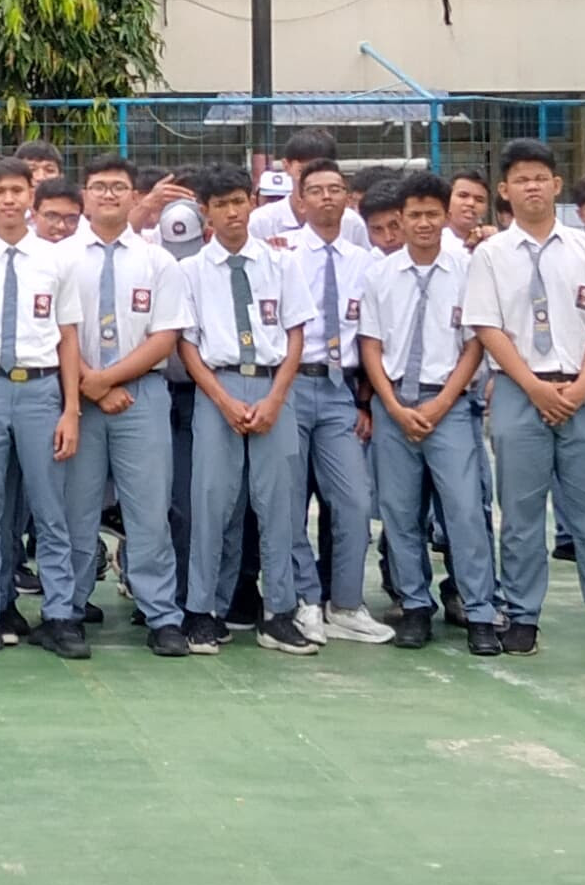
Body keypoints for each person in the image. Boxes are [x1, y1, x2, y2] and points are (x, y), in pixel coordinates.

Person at [463, 140, 585, 660]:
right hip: (520, 390)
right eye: (521, 179)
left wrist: (583, 383)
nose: (531, 186)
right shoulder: (490, 255)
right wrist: (533, 386)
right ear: (505, 190)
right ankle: (522, 615)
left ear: (556, 186)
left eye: (540, 177)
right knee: (520, 514)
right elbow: (488, 327)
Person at [0, 158, 85, 660]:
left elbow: (69, 336)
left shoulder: (57, 260)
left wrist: (71, 409)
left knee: (50, 510)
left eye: (17, 190)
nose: (8, 199)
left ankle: (60, 614)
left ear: (32, 195)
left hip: (41, 389)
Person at [49, 158, 184, 657]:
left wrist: (109, 378)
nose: (109, 195)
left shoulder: (157, 261)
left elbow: (166, 335)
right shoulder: (59, 257)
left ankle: (161, 612)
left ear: (134, 197)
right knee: (75, 512)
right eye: (100, 186)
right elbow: (55, 331)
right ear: (85, 195)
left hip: (141, 396)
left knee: (148, 511)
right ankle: (68, 608)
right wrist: (92, 385)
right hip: (76, 395)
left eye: (119, 188)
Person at [176, 165, 310, 656]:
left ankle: (279, 611)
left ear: (251, 204)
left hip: (273, 386)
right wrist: (223, 399)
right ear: (206, 214)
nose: (233, 213)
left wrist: (275, 397)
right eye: (221, 205)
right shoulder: (190, 271)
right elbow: (189, 345)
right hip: (219, 387)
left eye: (239, 201)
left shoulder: (281, 264)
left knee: (278, 504)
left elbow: (296, 334)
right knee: (212, 502)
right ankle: (204, 609)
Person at [360, 177, 489, 650]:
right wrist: (391, 404)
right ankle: (414, 606)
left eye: (432, 214)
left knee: (463, 511)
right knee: (399, 514)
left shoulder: (469, 270)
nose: (423, 223)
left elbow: (476, 344)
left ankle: (479, 610)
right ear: (400, 220)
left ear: (446, 215)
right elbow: (370, 344)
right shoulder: (380, 275)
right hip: (394, 404)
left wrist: (441, 402)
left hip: (448, 405)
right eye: (412, 216)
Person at [275, 159, 389, 645]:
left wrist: (363, 400)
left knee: (354, 500)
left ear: (348, 199)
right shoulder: (279, 256)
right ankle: (305, 599)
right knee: (289, 500)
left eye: (335, 189)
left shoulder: (366, 263)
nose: (326, 197)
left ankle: (345, 601)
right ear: (299, 200)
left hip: (340, 389)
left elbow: (370, 336)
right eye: (316, 190)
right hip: (291, 385)